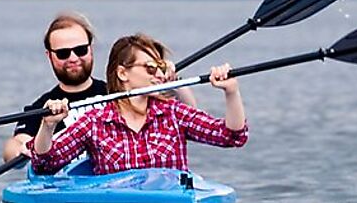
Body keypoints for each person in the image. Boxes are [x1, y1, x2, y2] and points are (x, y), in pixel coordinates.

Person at [28, 33, 247, 175]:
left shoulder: (173, 113)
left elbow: (231, 136)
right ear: (123, 73)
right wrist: (48, 125)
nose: (157, 74)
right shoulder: (95, 121)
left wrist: (231, 92)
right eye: (149, 68)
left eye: (160, 67)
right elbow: (44, 163)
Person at [3, 12, 196, 162]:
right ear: (49, 56)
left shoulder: (121, 93)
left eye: (80, 50)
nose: (73, 58)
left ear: (90, 48)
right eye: (63, 53)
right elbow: (13, 148)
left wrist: (175, 83)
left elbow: (189, 116)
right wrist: (24, 147)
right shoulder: (44, 108)